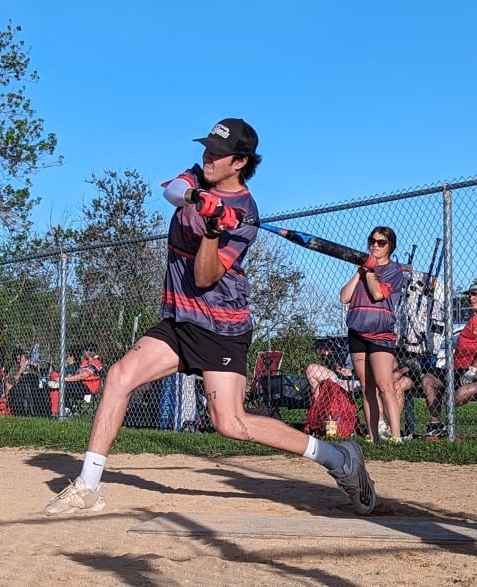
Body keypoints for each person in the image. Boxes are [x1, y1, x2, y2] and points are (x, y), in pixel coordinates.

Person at [43, 117, 376, 516]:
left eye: (218, 154)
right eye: (207, 150)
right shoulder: (199, 177)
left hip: (221, 326)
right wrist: (197, 201)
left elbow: (204, 277)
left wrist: (214, 230)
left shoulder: (245, 216)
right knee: (118, 377)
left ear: (240, 161)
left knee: (231, 423)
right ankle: (88, 487)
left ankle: (338, 458)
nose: (208, 158)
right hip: (178, 319)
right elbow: (172, 189)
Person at [340, 227, 405, 443]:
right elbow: (344, 297)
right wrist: (359, 272)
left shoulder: (393, 271)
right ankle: (373, 436)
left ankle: (396, 436)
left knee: (384, 385)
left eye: (381, 242)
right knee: (367, 386)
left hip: (381, 334)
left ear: (390, 246)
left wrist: (368, 271)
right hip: (357, 331)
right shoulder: (362, 272)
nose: (375, 245)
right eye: (372, 241)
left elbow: (378, 294)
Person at [421, 282, 477, 439]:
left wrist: (472, 371)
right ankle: (436, 425)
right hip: (458, 370)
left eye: (475, 294)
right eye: (470, 294)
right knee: (428, 380)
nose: (471, 297)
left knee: (451, 398)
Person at [62, 343, 104, 413]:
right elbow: (78, 374)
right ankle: (67, 408)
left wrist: (65, 379)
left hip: (90, 387)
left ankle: (67, 410)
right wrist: (70, 376)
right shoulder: (85, 362)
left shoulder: (95, 362)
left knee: (64, 386)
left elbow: (83, 375)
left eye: (85, 351)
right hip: (81, 384)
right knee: (62, 386)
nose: (83, 353)